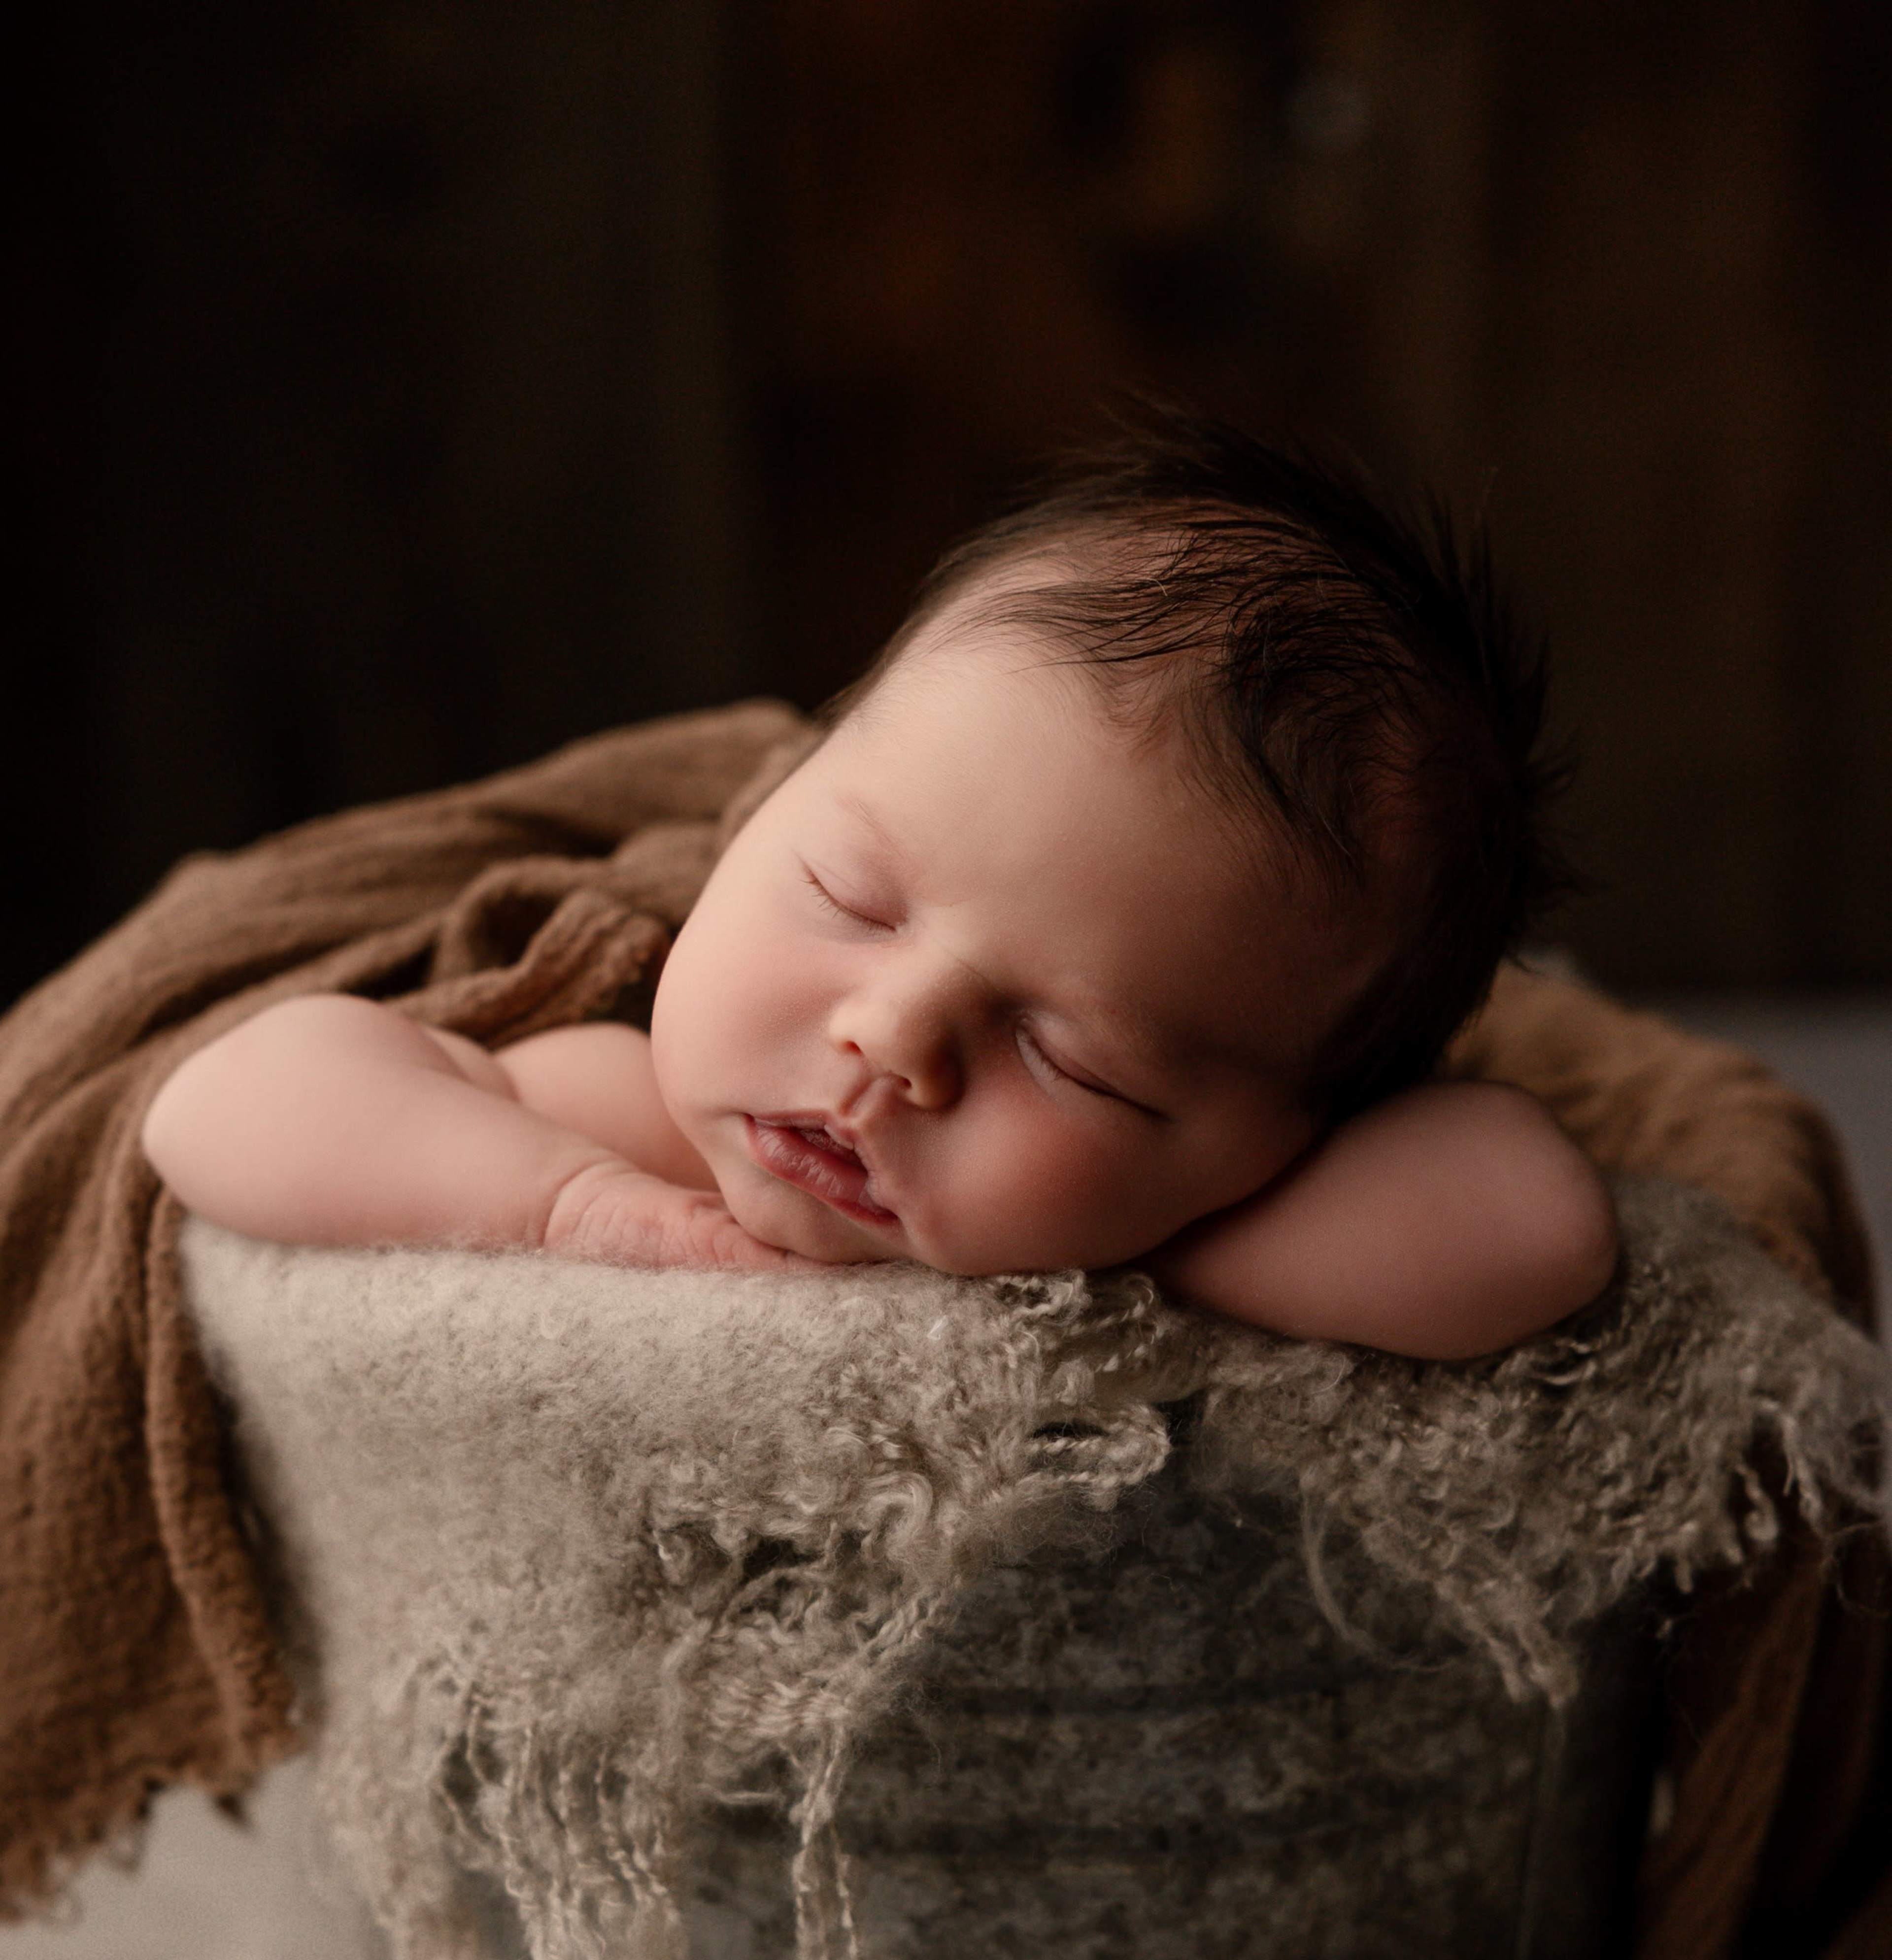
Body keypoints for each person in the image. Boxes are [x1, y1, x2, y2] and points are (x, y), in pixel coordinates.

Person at [141, 418, 1617, 1361]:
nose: (893, 1037)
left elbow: (1537, 1226)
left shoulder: (1173, 1211)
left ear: (1268, 1146)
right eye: (849, 895)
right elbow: (217, 1102)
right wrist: (568, 1207)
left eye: (1074, 1057)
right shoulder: (612, 1111)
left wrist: (1147, 1232)